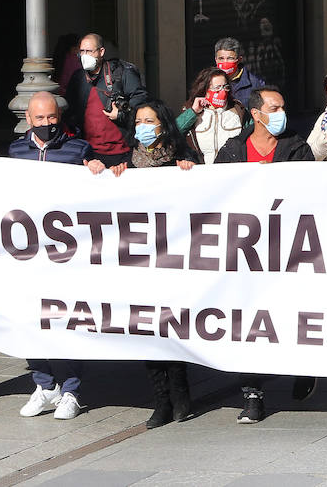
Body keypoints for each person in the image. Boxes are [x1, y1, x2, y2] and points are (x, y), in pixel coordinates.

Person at [0, 91, 105, 420]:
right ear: (28, 120)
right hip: (29, 255)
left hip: (67, 256)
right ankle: (44, 383)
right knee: (28, 319)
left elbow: (100, 195)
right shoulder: (17, 151)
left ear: (59, 118)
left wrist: (95, 169)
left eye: (51, 118)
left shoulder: (78, 150)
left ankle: (71, 390)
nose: (46, 124)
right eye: (39, 119)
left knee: (66, 322)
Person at [214, 87, 315, 423]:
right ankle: (253, 394)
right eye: (274, 107)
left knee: (291, 315)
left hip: (288, 250)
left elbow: (314, 193)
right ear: (256, 114)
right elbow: (212, 193)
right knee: (249, 324)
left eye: (283, 107)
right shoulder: (232, 151)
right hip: (246, 254)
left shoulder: (296, 148)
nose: (281, 113)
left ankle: (306, 366)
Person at [117, 100, 199, 428]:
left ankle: (181, 393)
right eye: (139, 121)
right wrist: (107, 175)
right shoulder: (127, 160)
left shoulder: (183, 158)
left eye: (150, 120)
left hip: (174, 257)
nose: (144, 126)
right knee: (147, 329)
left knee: (172, 325)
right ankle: (161, 400)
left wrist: (191, 176)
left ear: (163, 124)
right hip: (139, 259)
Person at [63, 33, 148, 168]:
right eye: (82, 51)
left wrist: (121, 114)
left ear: (101, 52)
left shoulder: (122, 73)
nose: (85, 55)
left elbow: (142, 103)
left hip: (123, 153)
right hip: (90, 154)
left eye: (89, 51)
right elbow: (70, 112)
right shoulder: (78, 78)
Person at [178, 67, 248, 164]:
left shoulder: (239, 110)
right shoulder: (192, 111)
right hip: (203, 171)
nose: (222, 91)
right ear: (204, 89)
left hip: (232, 171)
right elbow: (173, 133)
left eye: (225, 87)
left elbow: (253, 134)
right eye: (217, 88)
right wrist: (193, 112)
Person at [211, 38, 267, 108]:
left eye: (230, 58)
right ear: (216, 60)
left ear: (239, 60)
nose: (225, 62)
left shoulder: (255, 83)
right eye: (221, 58)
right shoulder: (208, 81)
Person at [50, 33, 81, 98]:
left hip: (58, 94)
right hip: (69, 96)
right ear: (74, 48)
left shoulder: (60, 58)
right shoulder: (73, 60)